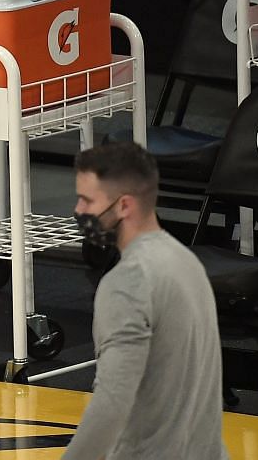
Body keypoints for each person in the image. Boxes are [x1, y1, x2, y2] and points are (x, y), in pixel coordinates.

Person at [64, 140, 226, 460]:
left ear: (124, 205)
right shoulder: (186, 262)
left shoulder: (127, 282)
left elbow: (112, 402)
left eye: (86, 201)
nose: (78, 211)